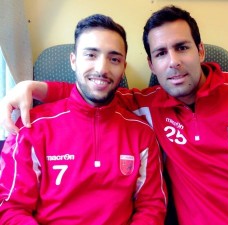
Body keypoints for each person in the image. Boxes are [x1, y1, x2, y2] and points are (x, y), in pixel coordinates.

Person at [1, 5, 228, 225]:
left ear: (200, 50)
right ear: (151, 64)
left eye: (182, 48)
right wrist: (35, 88)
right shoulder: (147, 105)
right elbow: (92, 95)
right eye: (160, 54)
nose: (173, 62)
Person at [0, 13, 167, 224]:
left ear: (123, 67)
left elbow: (152, 206)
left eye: (114, 59)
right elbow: (10, 208)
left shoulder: (141, 132)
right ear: (73, 61)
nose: (102, 69)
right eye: (91, 55)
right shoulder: (31, 126)